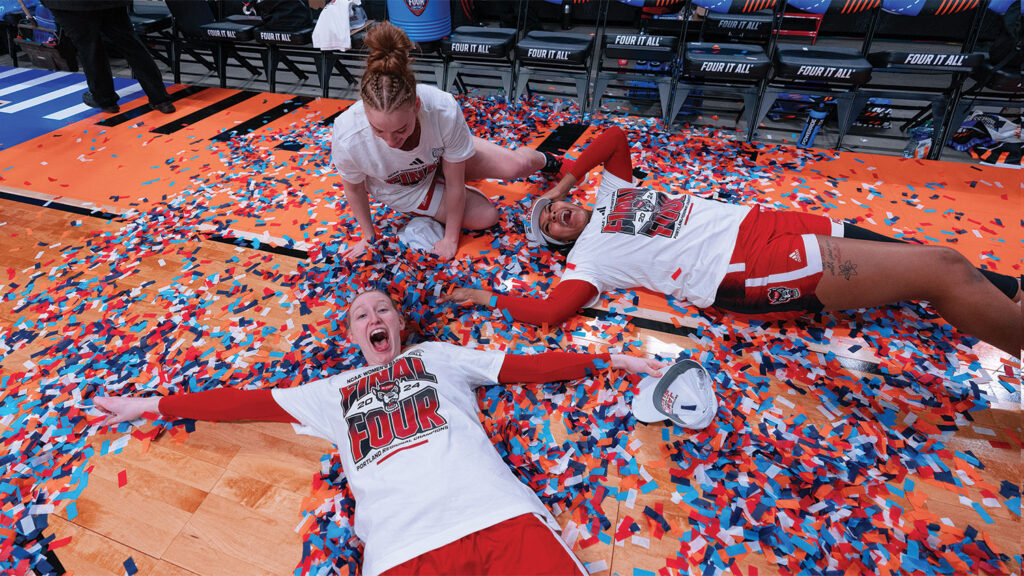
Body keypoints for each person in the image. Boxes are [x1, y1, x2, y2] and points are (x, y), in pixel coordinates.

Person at [93, 289, 665, 576]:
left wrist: (611, 360)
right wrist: (149, 404)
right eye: (362, 314)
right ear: (352, 335)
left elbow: (526, 366)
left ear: (399, 323)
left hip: (498, 517)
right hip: (401, 550)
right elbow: (243, 404)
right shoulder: (329, 392)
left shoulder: (437, 355)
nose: (375, 318)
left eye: (384, 309)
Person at [440, 127, 1023, 356]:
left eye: (557, 206)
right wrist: (489, 300)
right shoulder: (590, 258)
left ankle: (1008, 299)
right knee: (942, 265)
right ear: (557, 245)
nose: (559, 212)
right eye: (550, 222)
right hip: (750, 267)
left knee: (968, 273)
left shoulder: (614, 192)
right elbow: (551, 310)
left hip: (770, 222)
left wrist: (560, 180)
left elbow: (614, 137)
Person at [331, 22, 563, 261]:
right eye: (378, 130)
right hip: (404, 187)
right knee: (486, 216)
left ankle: (548, 161)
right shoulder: (348, 134)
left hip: (439, 155)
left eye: (401, 130)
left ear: (417, 107)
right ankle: (452, 189)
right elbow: (354, 188)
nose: (391, 142)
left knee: (518, 166)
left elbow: (454, 182)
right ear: (365, 114)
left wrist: (450, 239)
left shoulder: (441, 108)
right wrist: (369, 238)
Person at [42, 0, 175, 115]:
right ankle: (160, 99)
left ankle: (106, 100)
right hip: (109, 3)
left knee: (90, 50)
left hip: (71, 5)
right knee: (131, 46)